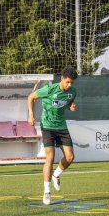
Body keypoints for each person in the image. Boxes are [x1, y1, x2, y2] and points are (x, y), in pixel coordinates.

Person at [27, 67, 78, 205]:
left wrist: (71, 107)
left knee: (70, 157)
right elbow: (31, 97)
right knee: (50, 158)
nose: (69, 85)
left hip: (61, 127)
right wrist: (31, 115)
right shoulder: (49, 89)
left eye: (72, 83)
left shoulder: (72, 92)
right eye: (67, 82)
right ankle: (47, 193)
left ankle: (56, 175)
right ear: (62, 78)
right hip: (48, 127)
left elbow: (67, 104)